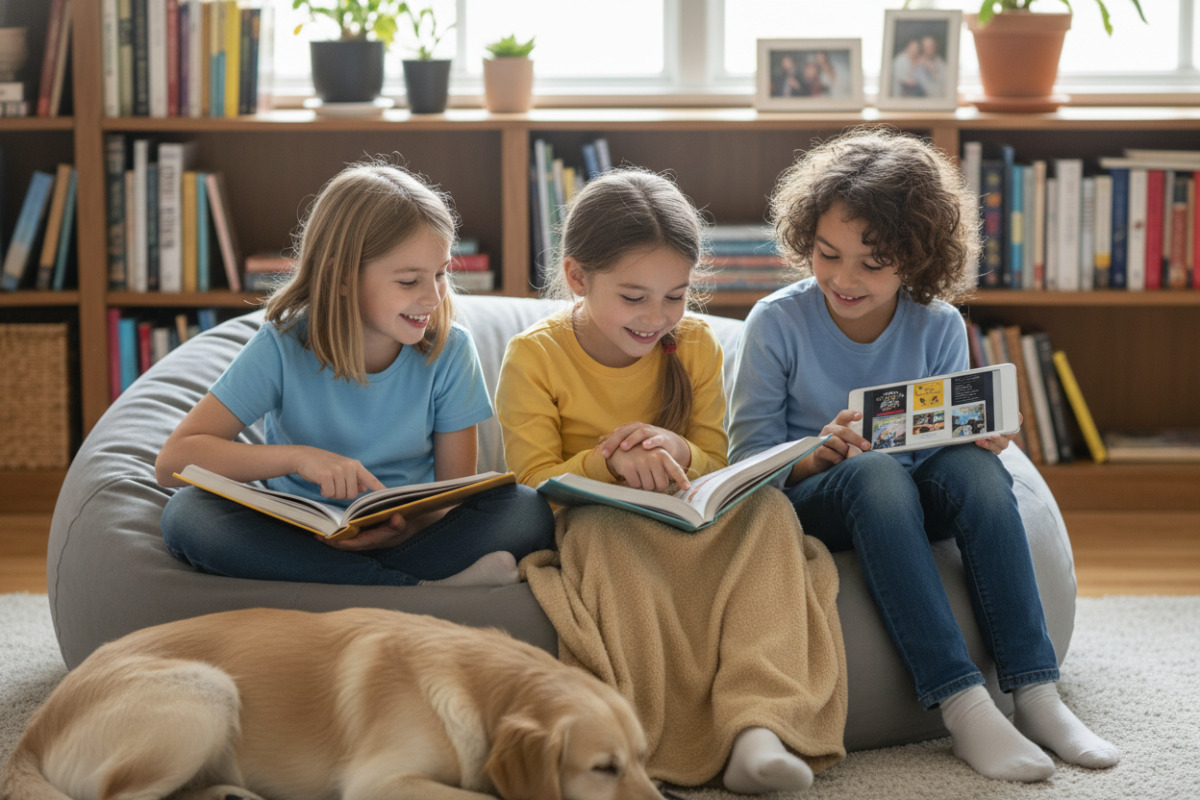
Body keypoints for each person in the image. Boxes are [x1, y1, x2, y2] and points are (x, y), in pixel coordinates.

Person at [728, 127, 1119, 782]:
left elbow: (938, 447)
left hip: (908, 494)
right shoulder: (776, 323)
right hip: (818, 499)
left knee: (977, 469)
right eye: (827, 254)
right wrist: (817, 454)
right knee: (875, 473)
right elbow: (749, 460)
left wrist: (979, 434)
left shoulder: (938, 324)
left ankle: (1037, 691)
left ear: (915, 259)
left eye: (872, 263)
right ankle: (963, 705)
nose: (843, 278)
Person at [496, 168, 847, 793]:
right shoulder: (534, 355)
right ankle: (643, 736)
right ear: (577, 277)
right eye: (633, 297)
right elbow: (532, 481)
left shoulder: (696, 344)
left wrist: (679, 448)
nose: (656, 317)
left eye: (675, 296)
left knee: (771, 512)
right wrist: (610, 461)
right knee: (603, 533)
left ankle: (759, 728)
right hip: (602, 522)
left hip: (690, 519)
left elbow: (716, 458)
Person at [155, 160, 554, 588]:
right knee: (189, 515)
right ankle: (409, 591)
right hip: (300, 538)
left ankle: (352, 587)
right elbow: (172, 461)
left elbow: (450, 498)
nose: (433, 296)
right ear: (341, 277)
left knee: (525, 510)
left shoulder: (450, 351)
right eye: (409, 281)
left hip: (411, 536)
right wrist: (299, 458)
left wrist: (405, 528)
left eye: (441, 274)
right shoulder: (282, 347)